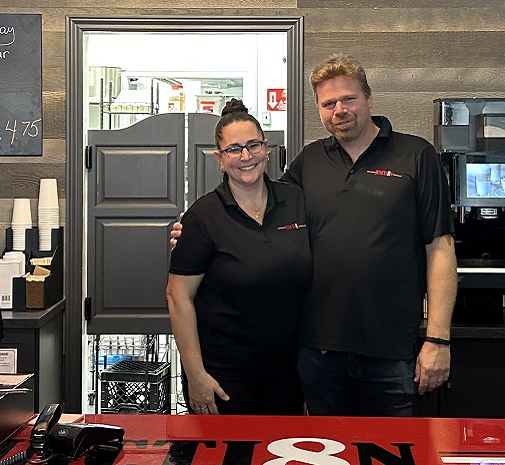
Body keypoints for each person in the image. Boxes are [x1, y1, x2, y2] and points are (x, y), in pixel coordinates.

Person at [284, 54, 457, 416]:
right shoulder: (308, 161)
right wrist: (199, 228)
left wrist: (438, 339)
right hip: (320, 351)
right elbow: (264, 219)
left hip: (394, 353)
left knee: (395, 453)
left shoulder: (416, 155)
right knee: (328, 454)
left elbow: (439, 248)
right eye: (328, 103)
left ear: (369, 98)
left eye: (348, 99)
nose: (339, 110)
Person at [166, 99, 312, 415]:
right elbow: (178, 298)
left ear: (267, 148)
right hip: (224, 378)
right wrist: (195, 376)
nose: (245, 157)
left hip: (287, 373)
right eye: (233, 149)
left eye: (252, 145)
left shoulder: (298, 202)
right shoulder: (203, 217)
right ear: (219, 159)